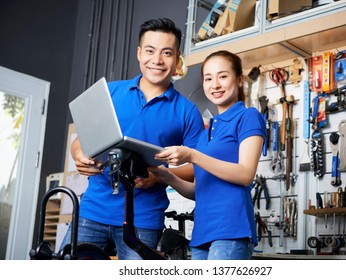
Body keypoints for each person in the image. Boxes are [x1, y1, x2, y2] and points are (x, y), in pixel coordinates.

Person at [61, 18, 204, 260]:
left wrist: (158, 175)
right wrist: (78, 154)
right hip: (92, 212)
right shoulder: (110, 93)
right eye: (150, 51)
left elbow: (196, 167)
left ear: (177, 58)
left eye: (166, 53)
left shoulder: (187, 112)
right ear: (139, 53)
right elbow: (82, 139)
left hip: (143, 220)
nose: (157, 60)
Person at [150, 50, 267, 260]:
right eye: (208, 78)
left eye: (223, 76)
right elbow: (198, 191)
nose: (215, 85)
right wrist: (166, 177)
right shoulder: (205, 135)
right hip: (201, 234)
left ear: (239, 79)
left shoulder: (248, 117)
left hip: (231, 231)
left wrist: (193, 155)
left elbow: (245, 174)